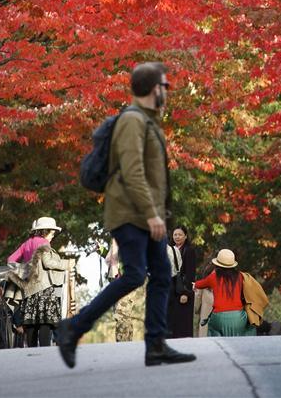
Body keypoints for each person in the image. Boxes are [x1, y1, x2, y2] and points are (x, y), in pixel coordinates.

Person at [56, 61, 196, 368]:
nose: (166, 92)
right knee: (134, 274)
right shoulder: (132, 121)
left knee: (162, 275)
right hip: (130, 214)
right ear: (153, 89)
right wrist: (152, 214)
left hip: (146, 215)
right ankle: (73, 328)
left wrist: (161, 214)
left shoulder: (148, 122)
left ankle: (155, 345)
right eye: (164, 87)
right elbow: (133, 173)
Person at [7, 216, 67, 347]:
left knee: (31, 322)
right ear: (45, 231)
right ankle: (44, 352)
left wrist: (24, 271)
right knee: (45, 321)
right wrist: (66, 264)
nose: (52, 236)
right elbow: (48, 263)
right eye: (52, 233)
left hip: (29, 289)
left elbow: (10, 260)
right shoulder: (44, 243)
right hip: (44, 287)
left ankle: (31, 351)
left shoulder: (26, 244)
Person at [193, 248, 256, 337]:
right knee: (249, 327)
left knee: (212, 329)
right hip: (238, 316)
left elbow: (199, 284)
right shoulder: (241, 276)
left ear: (217, 264)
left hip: (218, 317)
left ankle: (215, 343)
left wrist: (193, 285)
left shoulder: (213, 277)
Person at [167, 225, 196, 338]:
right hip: (172, 290)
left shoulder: (189, 251)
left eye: (180, 234)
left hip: (183, 290)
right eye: (175, 234)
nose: (177, 237)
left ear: (185, 236)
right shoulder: (170, 249)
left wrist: (186, 293)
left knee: (183, 323)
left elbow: (190, 273)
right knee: (172, 322)